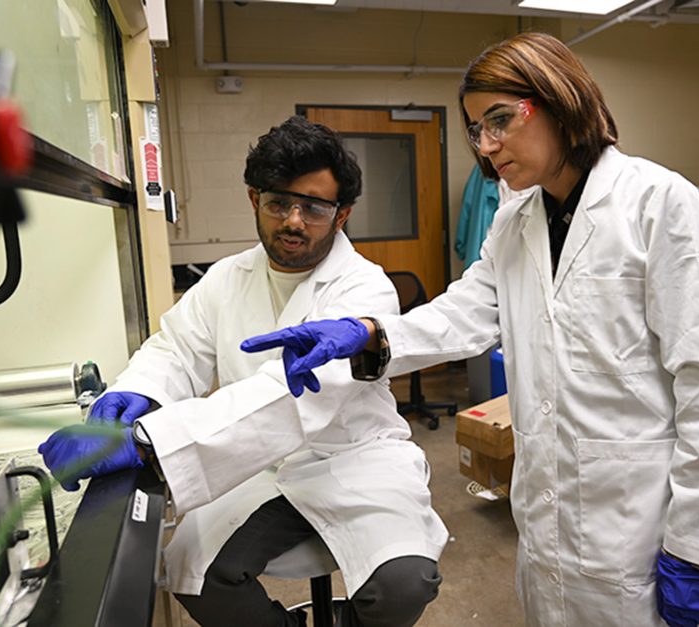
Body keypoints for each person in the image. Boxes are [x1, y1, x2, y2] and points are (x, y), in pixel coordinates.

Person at [241, 33, 699, 627]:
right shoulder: (515, 224)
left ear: (559, 99)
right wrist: (369, 334)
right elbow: (464, 314)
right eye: (477, 128)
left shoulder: (659, 204)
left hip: (639, 517)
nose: (487, 144)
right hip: (547, 517)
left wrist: (696, 548)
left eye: (500, 120)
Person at [38, 116, 448, 627]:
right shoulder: (225, 279)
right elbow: (176, 349)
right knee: (191, 573)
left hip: (355, 458)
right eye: (279, 203)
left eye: (314, 208)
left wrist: (149, 443)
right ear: (255, 200)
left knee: (404, 584)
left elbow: (297, 397)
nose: (294, 221)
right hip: (260, 467)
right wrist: (138, 391)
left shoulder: (364, 288)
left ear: (341, 216)